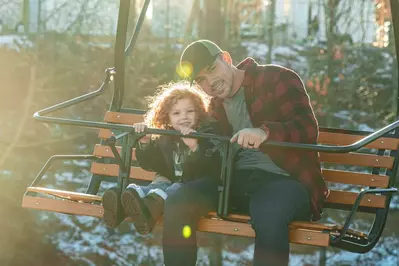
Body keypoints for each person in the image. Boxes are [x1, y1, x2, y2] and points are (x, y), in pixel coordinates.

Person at [160, 39, 330, 266]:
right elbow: (212, 157)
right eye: (201, 79)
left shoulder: (276, 79)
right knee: (178, 199)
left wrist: (265, 133)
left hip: (284, 181)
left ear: (227, 59)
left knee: (268, 214)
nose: (210, 83)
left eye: (212, 70)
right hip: (235, 182)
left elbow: (307, 126)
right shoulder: (214, 107)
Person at [101, 81, 222, 236]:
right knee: (157, 186)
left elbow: (212, 168)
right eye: (176, 113)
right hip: (166, 181)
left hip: (189, 189)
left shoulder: (206, 134)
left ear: (199, 112)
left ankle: (141, 210)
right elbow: (151, 164)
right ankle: (120, 200)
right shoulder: (165, 136)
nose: (184, 117)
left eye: (189, 111)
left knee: (163, 192)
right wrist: (144, 142)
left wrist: (194, 148)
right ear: (167, 117)